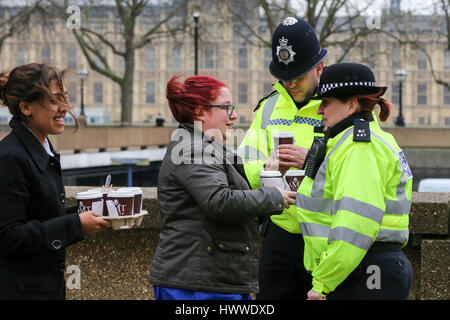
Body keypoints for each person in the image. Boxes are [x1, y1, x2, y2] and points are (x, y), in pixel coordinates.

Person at [150, 74, 296, 300]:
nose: (235, 115)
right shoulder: (193, 150)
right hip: (197, 285)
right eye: (226, 107)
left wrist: (268, 169)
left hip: (208, 278)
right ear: (200, 112)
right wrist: (273, 197)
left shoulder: (203, 144)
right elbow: (221, 201)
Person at [296, 62, 413, 300]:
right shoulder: (372, 139)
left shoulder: (358, 147)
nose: (320, 110)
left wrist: (322, 284)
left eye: (326, 102)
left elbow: (356, 223)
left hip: (362, 270)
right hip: (369, 267)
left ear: (351, 104)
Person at [0, 63, 111, 300]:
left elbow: (42, 216)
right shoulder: (10, 157)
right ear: (26, 107)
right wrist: (76, 225)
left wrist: (91, 210)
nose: (64, 108)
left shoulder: (39, 149)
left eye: (64, 98)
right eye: (54, 101)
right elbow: (9, 235)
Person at [237, 17, 328, 299]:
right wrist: (266, 167)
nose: (290, 83)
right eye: (284, 77)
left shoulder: (341, 105)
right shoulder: (267, 108)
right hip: (280, 230)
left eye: (298, 76)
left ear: (320, 68)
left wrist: (312, 160)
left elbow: (359, 166)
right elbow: (244, 163)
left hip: (326, 232)